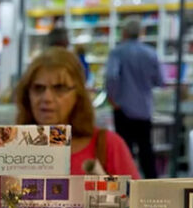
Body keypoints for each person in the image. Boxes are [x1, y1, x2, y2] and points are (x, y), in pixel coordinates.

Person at [16, 48, 140, 177]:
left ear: (78, 94)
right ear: (26, 94)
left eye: (59, 88)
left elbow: (136, 196)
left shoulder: (108, 145)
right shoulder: (11, 148)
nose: (47, 98)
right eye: (38, 88)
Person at [106, 17, 164, 179]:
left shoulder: (117, 52)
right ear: (141, 33)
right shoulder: (151, 53)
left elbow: (112, 76)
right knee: (146, 149)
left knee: (125, 151)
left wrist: (112, 97)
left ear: (124, 33)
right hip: (144, 109)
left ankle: (127, 188)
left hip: (122, 108)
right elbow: (160, 81)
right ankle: (153, 187)